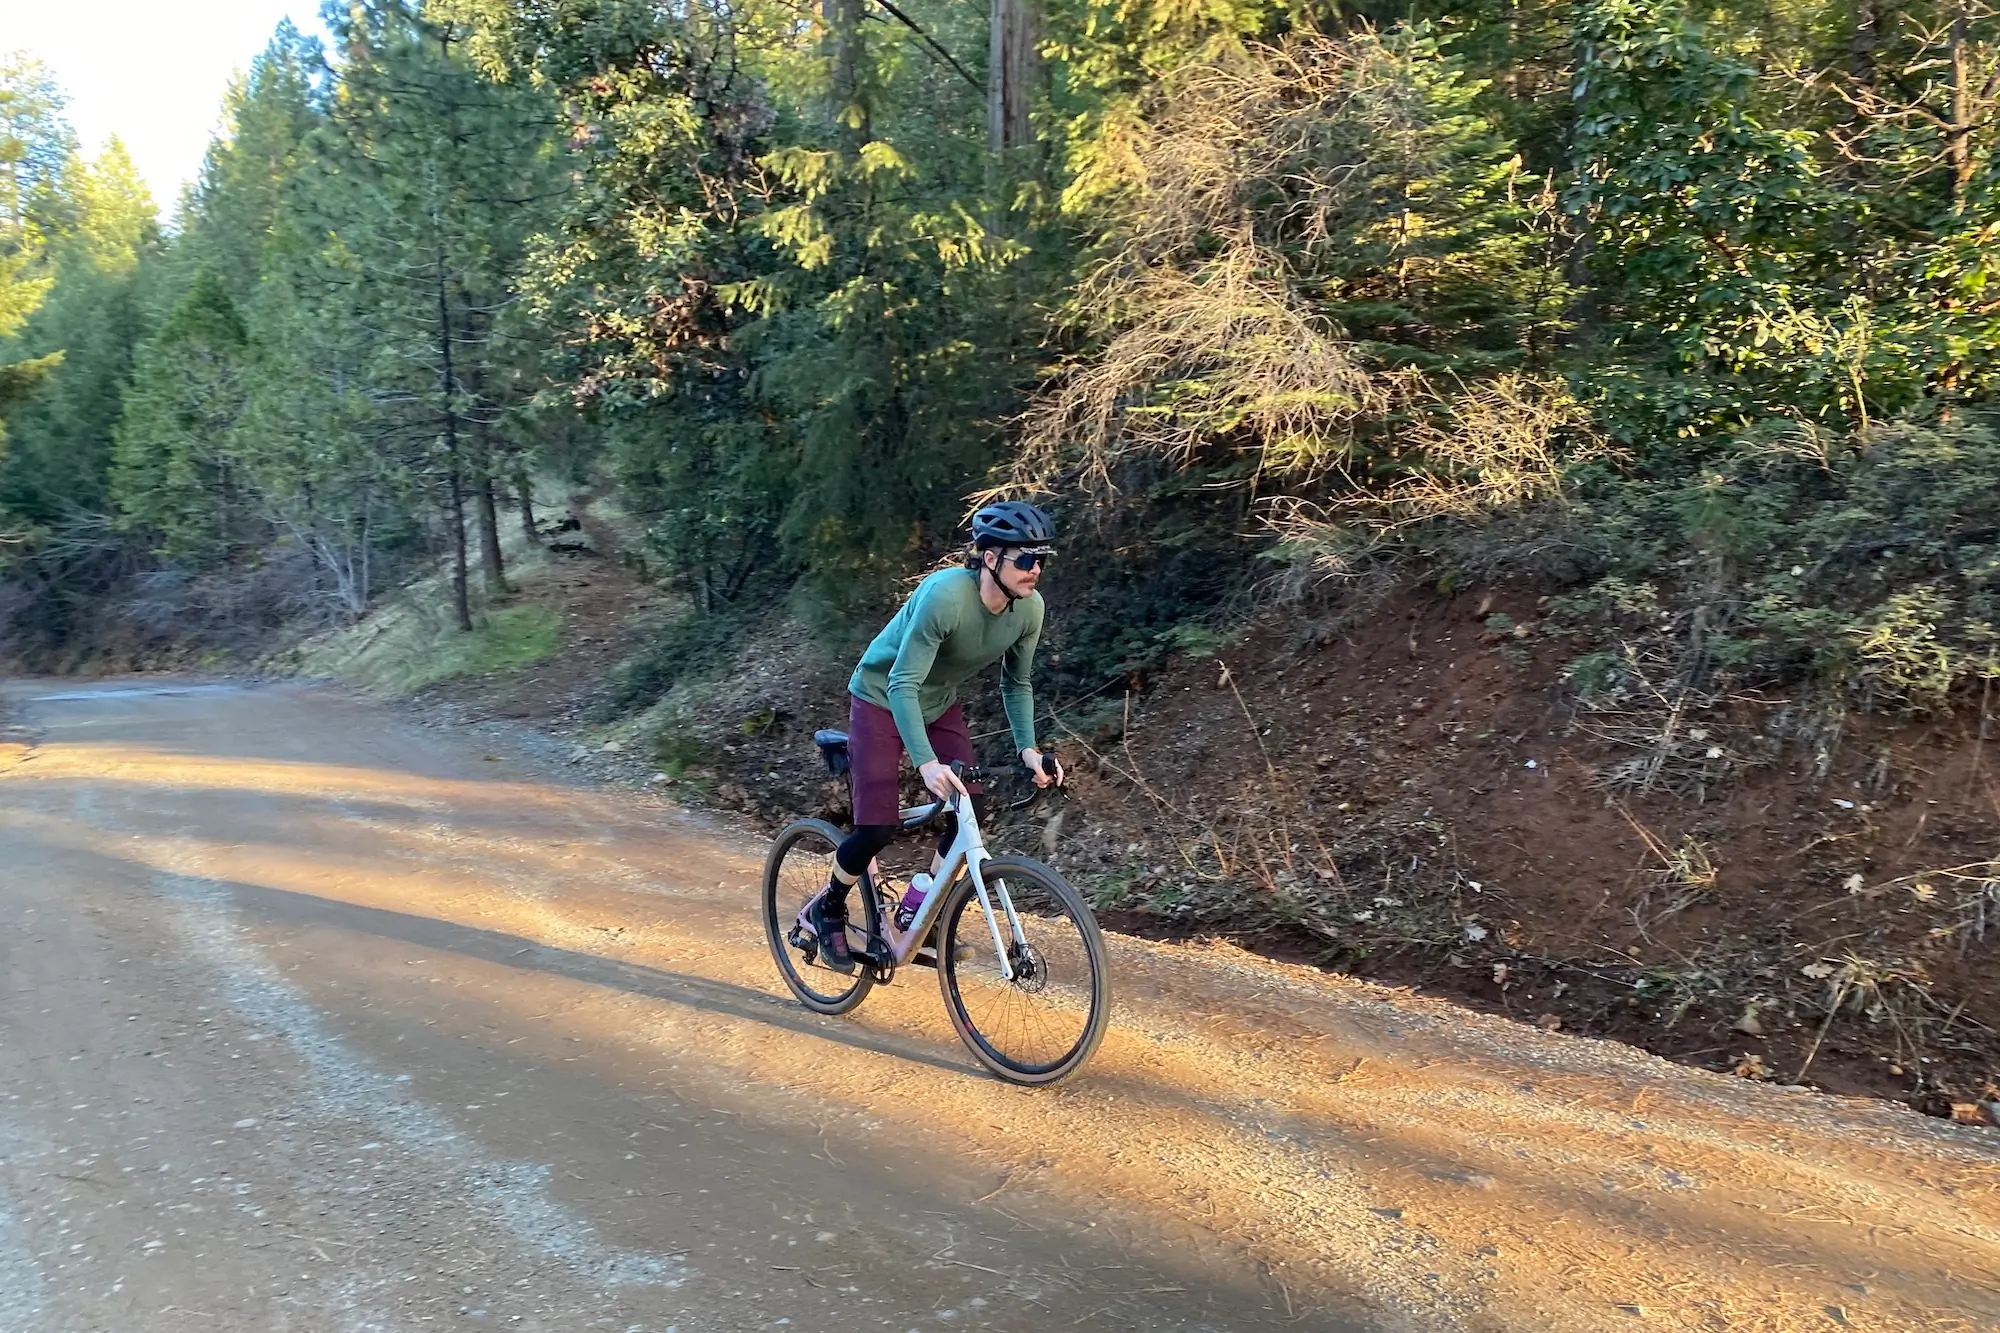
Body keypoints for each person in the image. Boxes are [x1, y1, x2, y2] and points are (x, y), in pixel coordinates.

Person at [804, 500, 1067, 972]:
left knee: (972, 806)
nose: (1036, 570)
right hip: (881, 697)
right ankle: (829, 910)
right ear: (991, 558)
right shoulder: (945, 596)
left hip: (938, 702)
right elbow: (901, 682)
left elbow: (1017, 683)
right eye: (1025, 559)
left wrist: (1028, 750)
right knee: (876, 829)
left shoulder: (1029, 610)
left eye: (1041, 560)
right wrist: (926, 763)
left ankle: (915, 912)